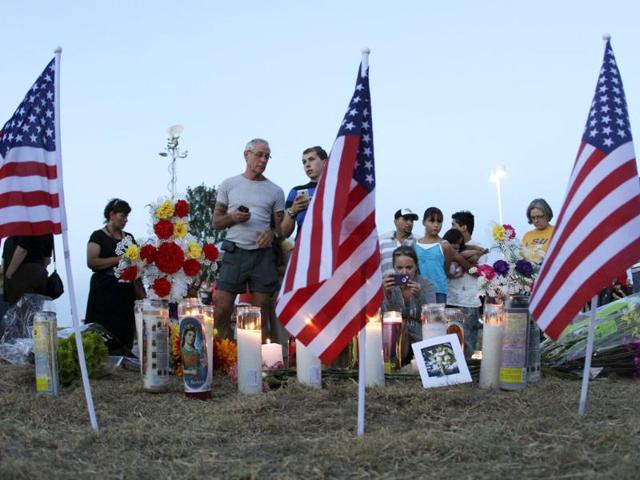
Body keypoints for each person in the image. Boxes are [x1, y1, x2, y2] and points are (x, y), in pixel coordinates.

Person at [213, 139, 285, 340]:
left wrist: (272, 234)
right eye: (259, 154)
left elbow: (282, 229)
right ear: (246, 154)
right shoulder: (229, 184)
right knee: (222, 309)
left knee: (259, 313)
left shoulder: (275, 190)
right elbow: (216, 222)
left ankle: (255, 362)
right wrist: (233, 217)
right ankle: (222, 358)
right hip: (234, 253)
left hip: (263, 256)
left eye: (267, 156)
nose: (263, 160)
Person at [85, 199, 144, 354]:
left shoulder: (129, 238)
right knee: (102, 326)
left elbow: (136, 265)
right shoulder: (98, 236)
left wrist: (140, 290)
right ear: (111, 214)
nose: (125, 220)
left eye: (126, 217)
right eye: (122, 216)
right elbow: (92, 262)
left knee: (124, 326)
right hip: (103, 287)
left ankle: (123, 352)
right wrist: (120, 259)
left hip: (125, 289)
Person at [449, 211, 488, 358]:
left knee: (468, 341)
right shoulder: (449, 246)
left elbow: (479, 272)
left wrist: (459, 259)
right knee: (451, 339)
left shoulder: (479, 247)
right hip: (451, 299)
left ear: (464, 227)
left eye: (454, 224)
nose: (451, 228)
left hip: (469, 301)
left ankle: (469, 373)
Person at [382, 245, 436, 350]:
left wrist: (419, 296)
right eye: (399, 268)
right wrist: (385, 294)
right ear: (394, 267)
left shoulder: (427, 285)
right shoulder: (388, 285)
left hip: (421, 338)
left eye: (409, 267)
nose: (404, 272)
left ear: (416, 266)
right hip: (394, 338)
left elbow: (432, 317)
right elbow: (382, 317)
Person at [415, 207, 471, 304]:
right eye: (432, 221)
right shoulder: (415, 245)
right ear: (423, 222)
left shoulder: (444, 245)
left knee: (437, 318)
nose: (436, 225)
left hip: (438, 291)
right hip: (419, 290)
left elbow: (445, 270)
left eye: (439, 221)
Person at [281, 146, 328, 239]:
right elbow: (284, 233)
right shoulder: (296, 191)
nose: (307, 165)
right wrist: (293, 211)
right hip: (305, 247)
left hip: (334, 245)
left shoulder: (338, 188)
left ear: (325, 162)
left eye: (311, 159)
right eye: (304, 162)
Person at [3, 234, 53, 306]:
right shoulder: (46, 227)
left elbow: (22, 250)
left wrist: (8, 274)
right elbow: (47, 260)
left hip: (23, 275)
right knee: (36, 311)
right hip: (41, 274)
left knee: (21, 313)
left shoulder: (26, 226)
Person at [379, 208, 419, 277]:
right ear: (396, 221)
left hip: (412, 286)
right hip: (387, 286)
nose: (409, 223)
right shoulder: (381, 242)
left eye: (411, 220)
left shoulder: (419, 242)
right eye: (405, 219)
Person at [521, 198, 555, 262]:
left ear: (547, 215)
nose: (536, 220)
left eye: (539, 216)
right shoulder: (527, 235)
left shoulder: (556, 231)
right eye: (533, 218)